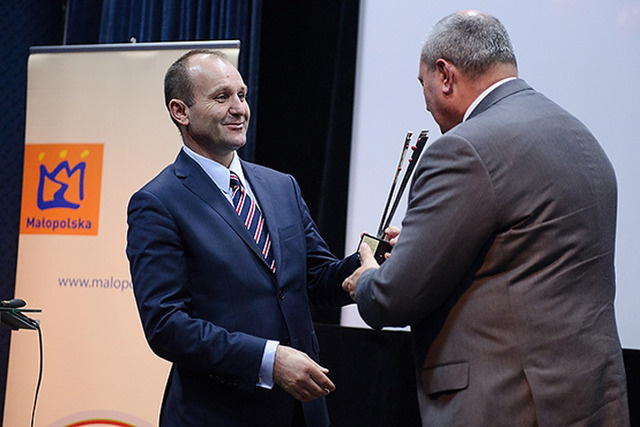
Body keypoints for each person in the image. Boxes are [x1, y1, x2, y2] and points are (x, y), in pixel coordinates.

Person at [342, 10, 630, 426]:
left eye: (422, 84)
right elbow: (526, 252)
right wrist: (426, 243)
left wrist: (368, 277)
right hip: (593, 402)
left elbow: (394, 297)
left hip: (508, 405)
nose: (425, 103)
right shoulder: (579, 135)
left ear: (445, 75)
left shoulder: (462, 149)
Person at [126, 49, 359, 426]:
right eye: (222, 97)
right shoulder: (157, 203)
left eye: (242, 95)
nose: (239, 109)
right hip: (217, 415)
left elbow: (318, 279)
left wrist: (366, 265)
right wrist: (269, 360)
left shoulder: (281, 186)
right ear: (180, 111)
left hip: (302, 413)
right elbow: (167, 326)